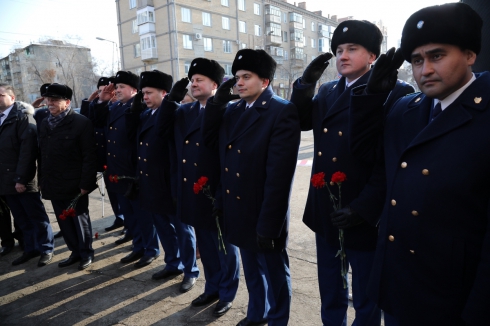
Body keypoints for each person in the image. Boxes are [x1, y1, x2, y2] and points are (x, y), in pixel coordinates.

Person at [349, 3, 490, 325]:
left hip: (451, 295)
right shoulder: (407, 108)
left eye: (436, 56)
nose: (424, 69)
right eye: (416, 60)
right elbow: (367, 156)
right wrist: (371, 98)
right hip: (398, 283)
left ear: (469, 55)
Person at [289, 20, 414, 325]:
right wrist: (305, 85)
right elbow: (300, 120)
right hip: (328, 206)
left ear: (373, 56)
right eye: (339, 50)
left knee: (366, 294)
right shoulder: (329, 90)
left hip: (363, 210)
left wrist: (363, 208)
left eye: (352, 49)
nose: (342, 56)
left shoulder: (395, 91)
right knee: (330, 286)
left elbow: (390, 161)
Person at [202, 49, 300, 326]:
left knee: (275, 272)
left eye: (247, 77)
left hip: (263, 209)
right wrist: (215, 105)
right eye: (236, 77)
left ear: (265, 81)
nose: (239, 83)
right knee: (253, 271)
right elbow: (210, 141)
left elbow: (279, 177)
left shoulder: (281, 111)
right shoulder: (232, 109)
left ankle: (278, 319)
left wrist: (270, 224)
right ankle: (257, 314)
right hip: (237, 205)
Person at [157, 58, 240, 316]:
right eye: (192, 80)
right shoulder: (185, 112)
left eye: (199, 79)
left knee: (225, 247)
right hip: (193, 188)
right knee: (205, 243)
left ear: (215, 84)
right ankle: (212, 287)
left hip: (217, 188)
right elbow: (161, 131)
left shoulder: (229, 111)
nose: (193, 84)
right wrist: (171, 100)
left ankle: (227, 293)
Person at [126, 70, 199, 292]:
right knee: (163, 228)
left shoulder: (176, 111)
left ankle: (190, 270)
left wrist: (169, 102)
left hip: (171, 182)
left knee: (183, 230)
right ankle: (173, 263)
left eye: (149, 93)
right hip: (151, 183)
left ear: (164, 93)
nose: (145, 97)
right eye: (143, 93)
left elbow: (162, 134)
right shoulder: (146, 114)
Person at [92, 71, 159, 268]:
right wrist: (103, 100)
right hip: (117, 171)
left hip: (132, 171)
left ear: (134, 90)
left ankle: (151, 249)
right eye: (117, 87)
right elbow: (97, 123)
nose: (117, 91)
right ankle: (138, 246)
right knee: (130, 215)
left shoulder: (137, 108)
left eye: (122, 87)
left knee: (143, 216)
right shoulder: (115, 107)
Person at [38, 83, 97, 270]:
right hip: (53, 183)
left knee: (80, 221)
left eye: (55, 100)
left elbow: (89, 156)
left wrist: (86, 183)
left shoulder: (81, 122)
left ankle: (86, 253)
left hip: (75, 184)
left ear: (67, 102)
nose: (50, 103)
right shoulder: (45, 122)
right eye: (48, 100)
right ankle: (75, 252)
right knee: (64, 221)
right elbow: (42, 154)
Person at [0, 84, 54, 266]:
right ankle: (31, 249)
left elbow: (28, 151)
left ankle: (46, 248)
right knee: (21, 219)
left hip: (22, 179)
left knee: (36, 217)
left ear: (12, 98)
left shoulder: (22, 117)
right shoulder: (1, 119)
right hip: (6, 181)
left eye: (0, 95)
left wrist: (21, 179)